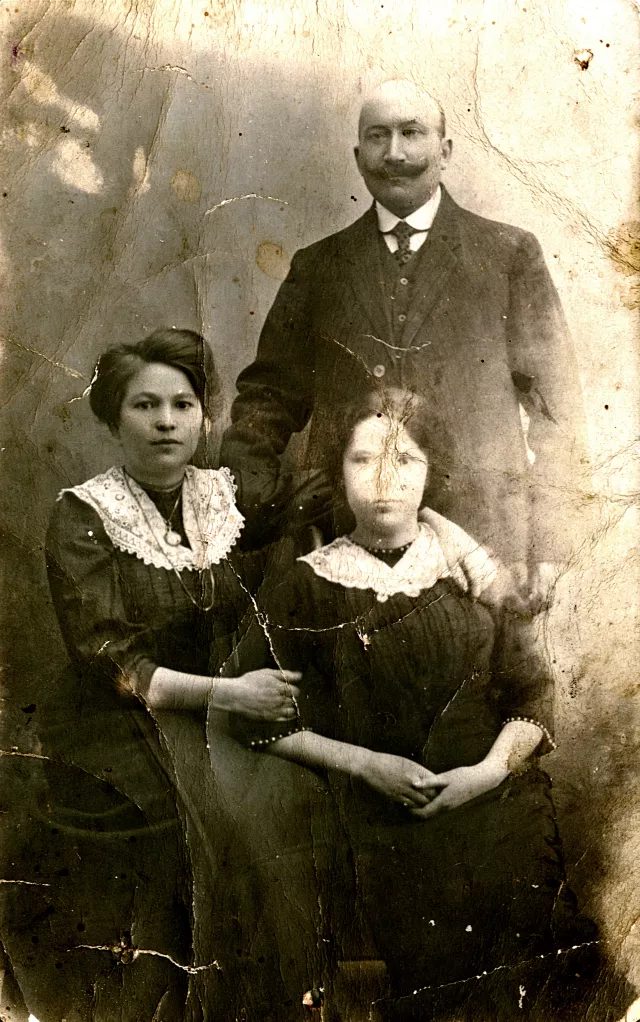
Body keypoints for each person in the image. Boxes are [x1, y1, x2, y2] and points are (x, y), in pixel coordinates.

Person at [241, 388, 633, 1021]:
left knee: (548, 951)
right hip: (380, 818)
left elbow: (531, 697)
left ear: (432, 472)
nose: (384, 480)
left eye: (407, 460)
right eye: (363, 459)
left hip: (495, 799)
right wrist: (369, 766)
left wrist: (481, 776)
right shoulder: (305, 583)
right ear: (337, 472)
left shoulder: (474, 575)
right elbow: (260, 719)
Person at [5, 329, 301, 1022]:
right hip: (116, 728)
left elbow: (320, 515)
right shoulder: (83, 515)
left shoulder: (226, 500)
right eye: (144, 405)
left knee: (286, 814)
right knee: (186, 837)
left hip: (219, 713)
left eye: (183, 404)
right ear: (112, 419)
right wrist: (232, 694)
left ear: (205, 416)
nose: (167, 422)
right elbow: (119, 668)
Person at [220, 78, 591, 605]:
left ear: (444, 151)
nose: (393, 154)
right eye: (377, 137)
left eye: (411, 134)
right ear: (357, 154)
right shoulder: (318, 267)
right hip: (343, 544)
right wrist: (259, 500)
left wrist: (551, 544)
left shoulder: (509, 255)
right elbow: (266, 401)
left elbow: (558, 411)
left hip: (484, 545)